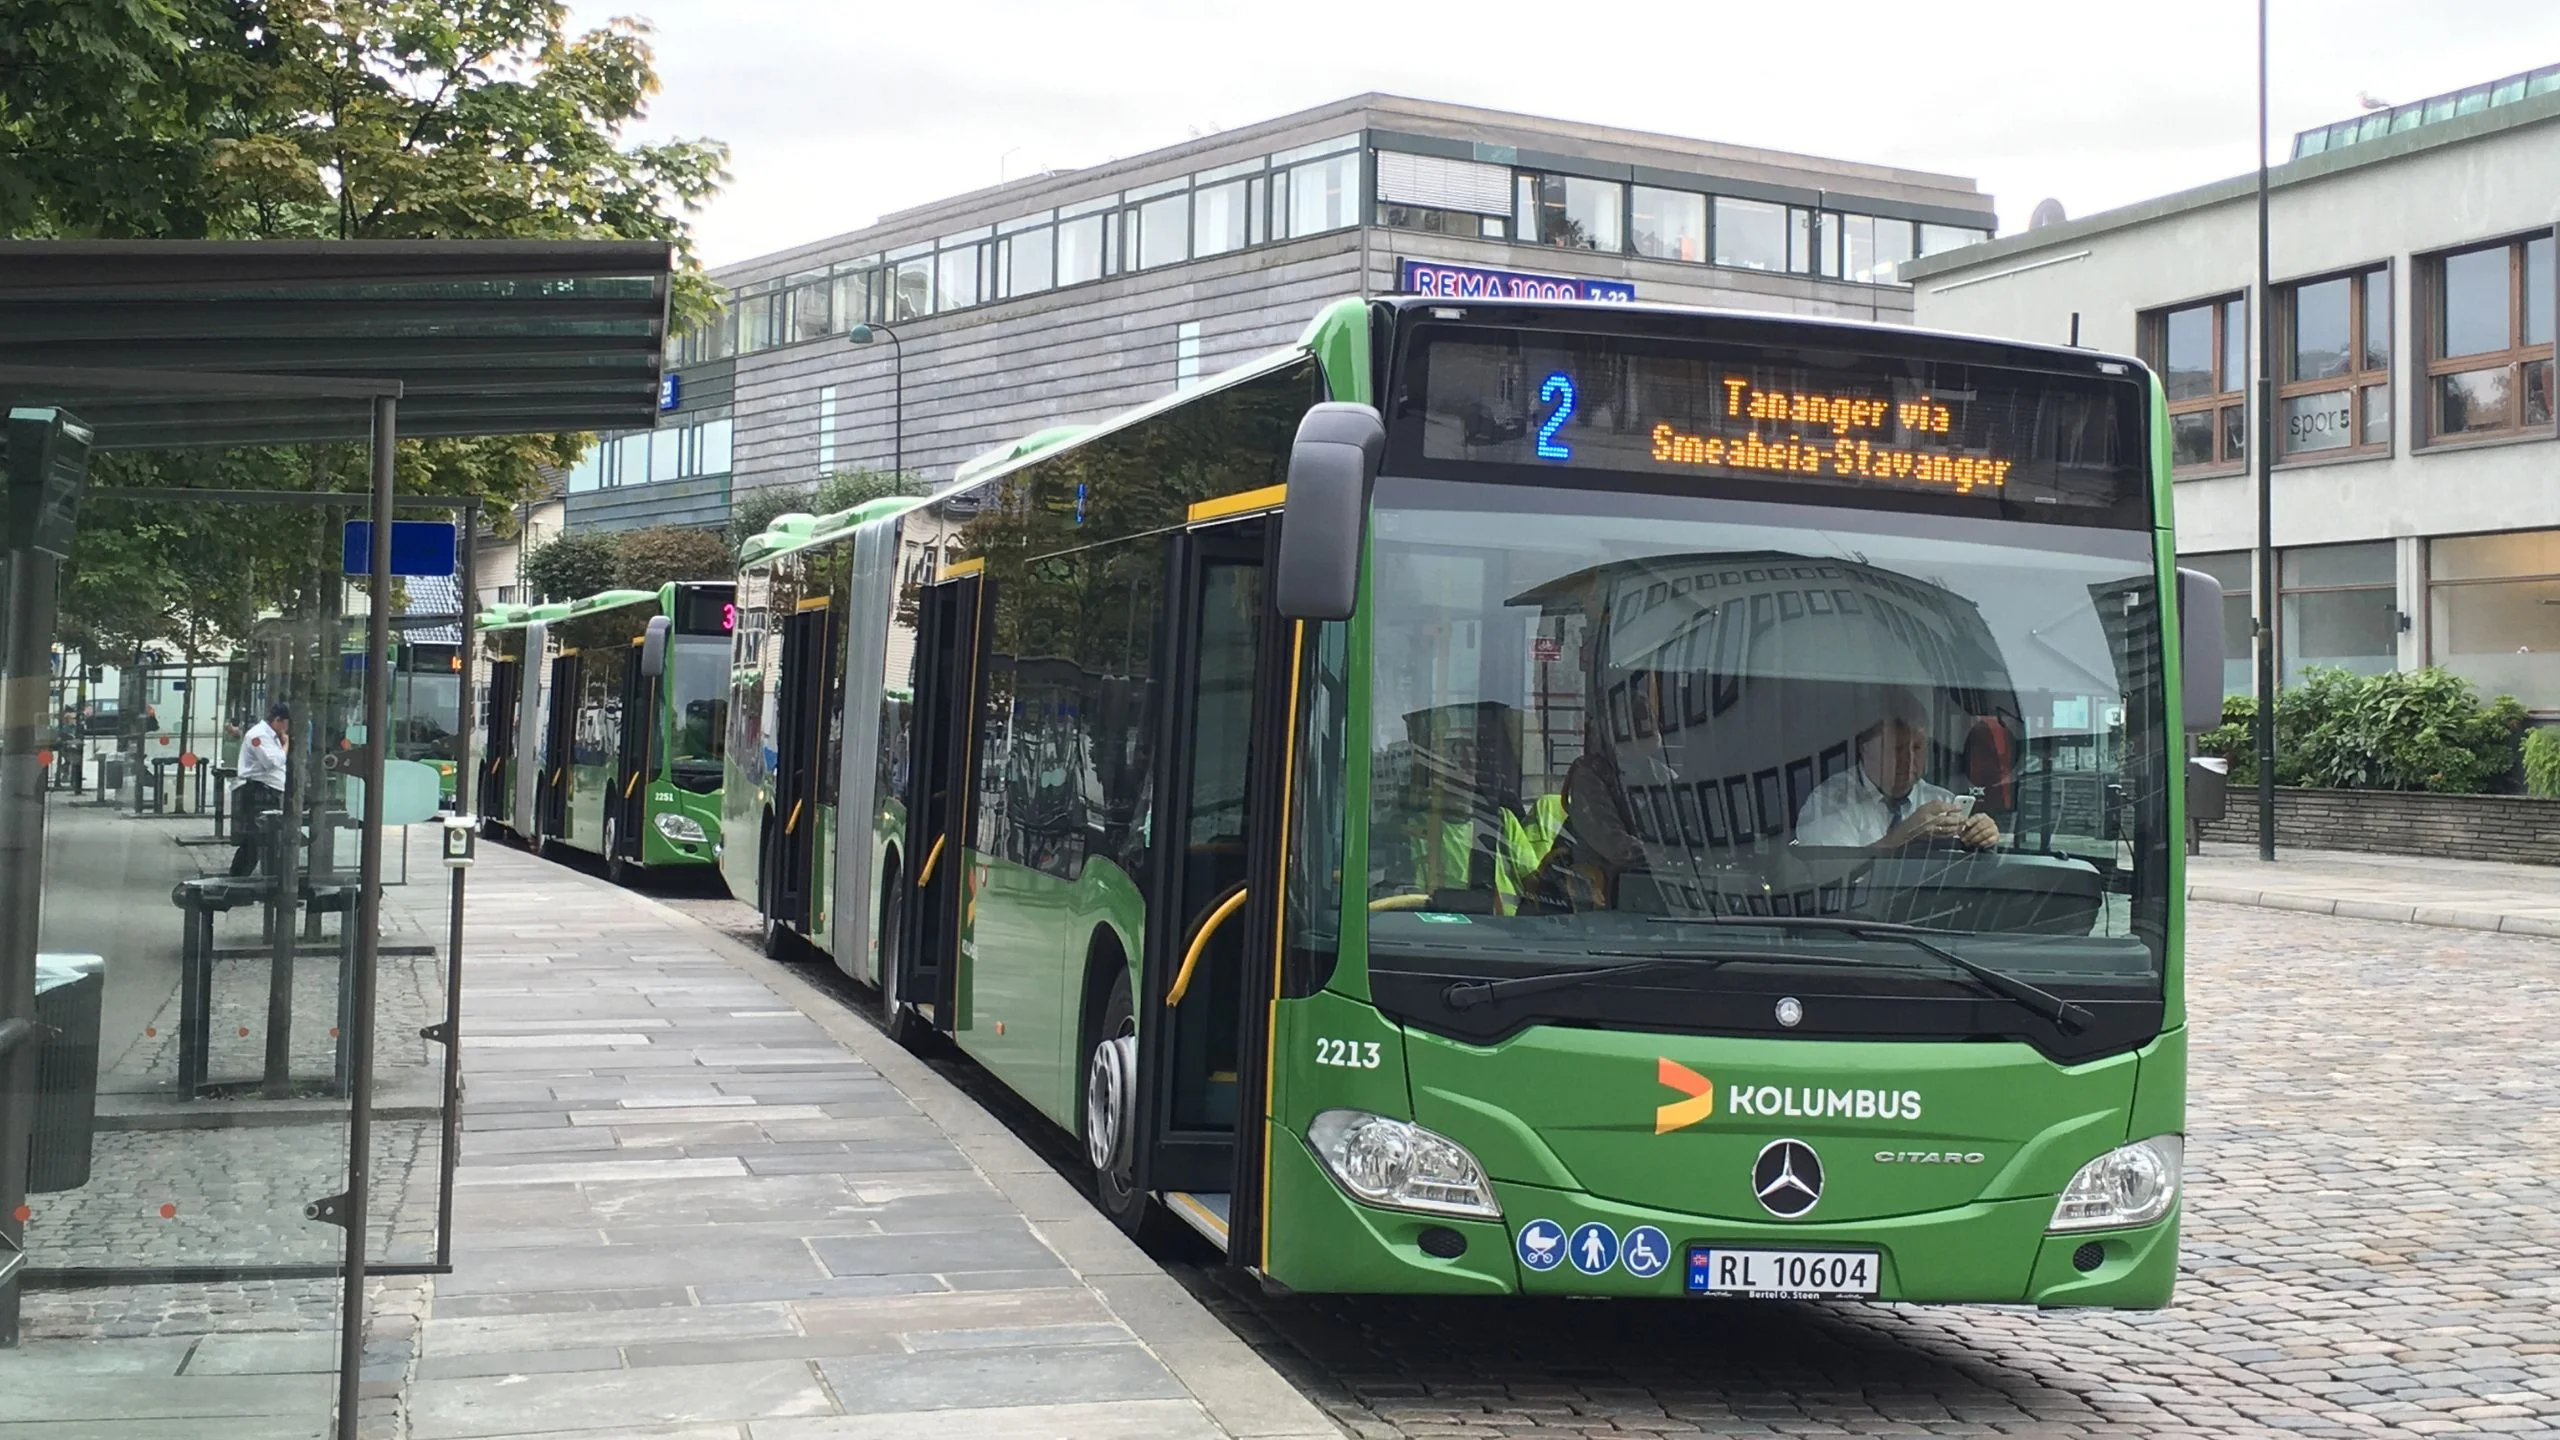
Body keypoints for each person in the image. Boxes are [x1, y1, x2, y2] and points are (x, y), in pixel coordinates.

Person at [1794, 689, 2000, 851]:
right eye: (1897, 749)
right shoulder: (1827, 804)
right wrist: (1903, 836)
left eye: (1917, 747)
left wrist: (1983, 839)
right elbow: (1828, 877)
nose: (1909, 760)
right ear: (1863, 747)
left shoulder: (1943, 802)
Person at [229, 702, 292, 878]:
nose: (287, 729)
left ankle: (246, 877)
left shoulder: (270, 735)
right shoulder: (258, 736)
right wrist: (285, 745)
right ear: (278, 720)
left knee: (262, 839)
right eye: (286, 723)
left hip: (268, 789)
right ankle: (238, 877)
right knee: (256, 839)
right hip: (259, 790)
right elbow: (273, 762)